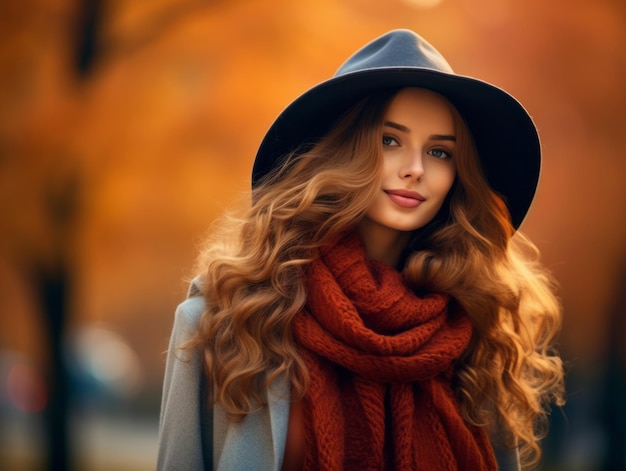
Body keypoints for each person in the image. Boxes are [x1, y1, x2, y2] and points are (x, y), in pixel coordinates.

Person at [157, 29, 565, 470]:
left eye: (440, 152)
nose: (414, 169)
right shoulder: (231, 319)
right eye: (390, 141)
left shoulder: (478, 330)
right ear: (343, 153)